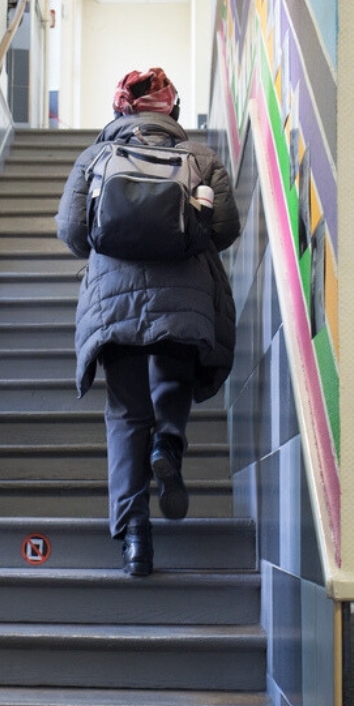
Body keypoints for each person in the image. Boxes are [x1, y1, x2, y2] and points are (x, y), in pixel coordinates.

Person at [55, 67, 241, 576]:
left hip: (113, 304)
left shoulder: (96, 156)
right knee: (174, 373)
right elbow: (226, 228)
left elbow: (72, 232)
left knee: (126, 413)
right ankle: (169, 442)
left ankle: (136, 537)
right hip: (184, 297)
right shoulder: (201, 157)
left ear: (120, 109)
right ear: (173, 111)